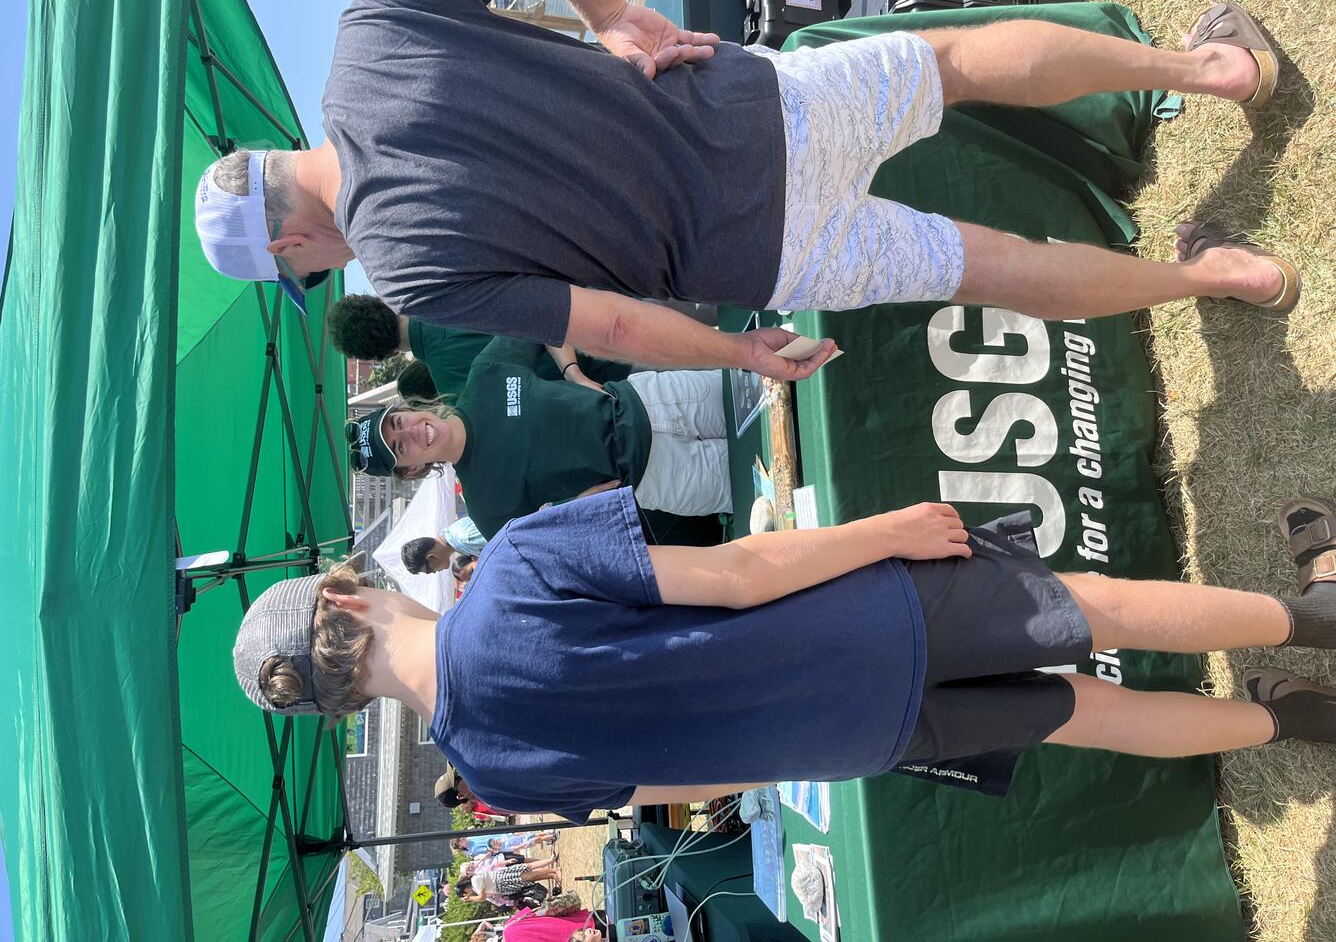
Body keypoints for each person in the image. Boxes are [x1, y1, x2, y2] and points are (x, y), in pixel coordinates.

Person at [193, 0, 1298, 379]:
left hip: (763, 251)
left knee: (991, 266)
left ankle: (1222, 278)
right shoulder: (365, 41)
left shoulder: (415, 273)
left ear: (292, 239)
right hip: (757, 111)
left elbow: (611, 327)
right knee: (959, 59)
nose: (324, 270)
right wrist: (617, 10)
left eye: (306, 268)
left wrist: (740, 362)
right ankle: (1218, 75)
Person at [232, 489, 1336, 822]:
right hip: (861, 624)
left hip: (850, 736)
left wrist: (800, 735)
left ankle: (1295, 718)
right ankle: (1317, 612)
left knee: (1079, 713)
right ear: (347, 596)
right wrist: (883, 534)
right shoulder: (510, 565)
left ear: (337, 708)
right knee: (1094, 611)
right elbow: (736, 573)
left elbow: (691, 787)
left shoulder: (492, 777)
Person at [345, 336, 732, 537]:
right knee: (767, 483)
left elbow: (538, 320)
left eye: (399, 422)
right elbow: (548, 546)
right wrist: (577, 509)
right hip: (658, 475)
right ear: (411, 471)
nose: (412, 432)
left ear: (408, 409)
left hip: (654, 397)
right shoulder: (486, 509)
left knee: (764, 391)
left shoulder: (486, 374)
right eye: (400, 447)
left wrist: (572, 372)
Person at [328, 294, 631, 397]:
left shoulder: (450, 391)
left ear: (383, 355)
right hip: (602, 311)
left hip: (609, 389)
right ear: (383, 304)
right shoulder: (444, 285)